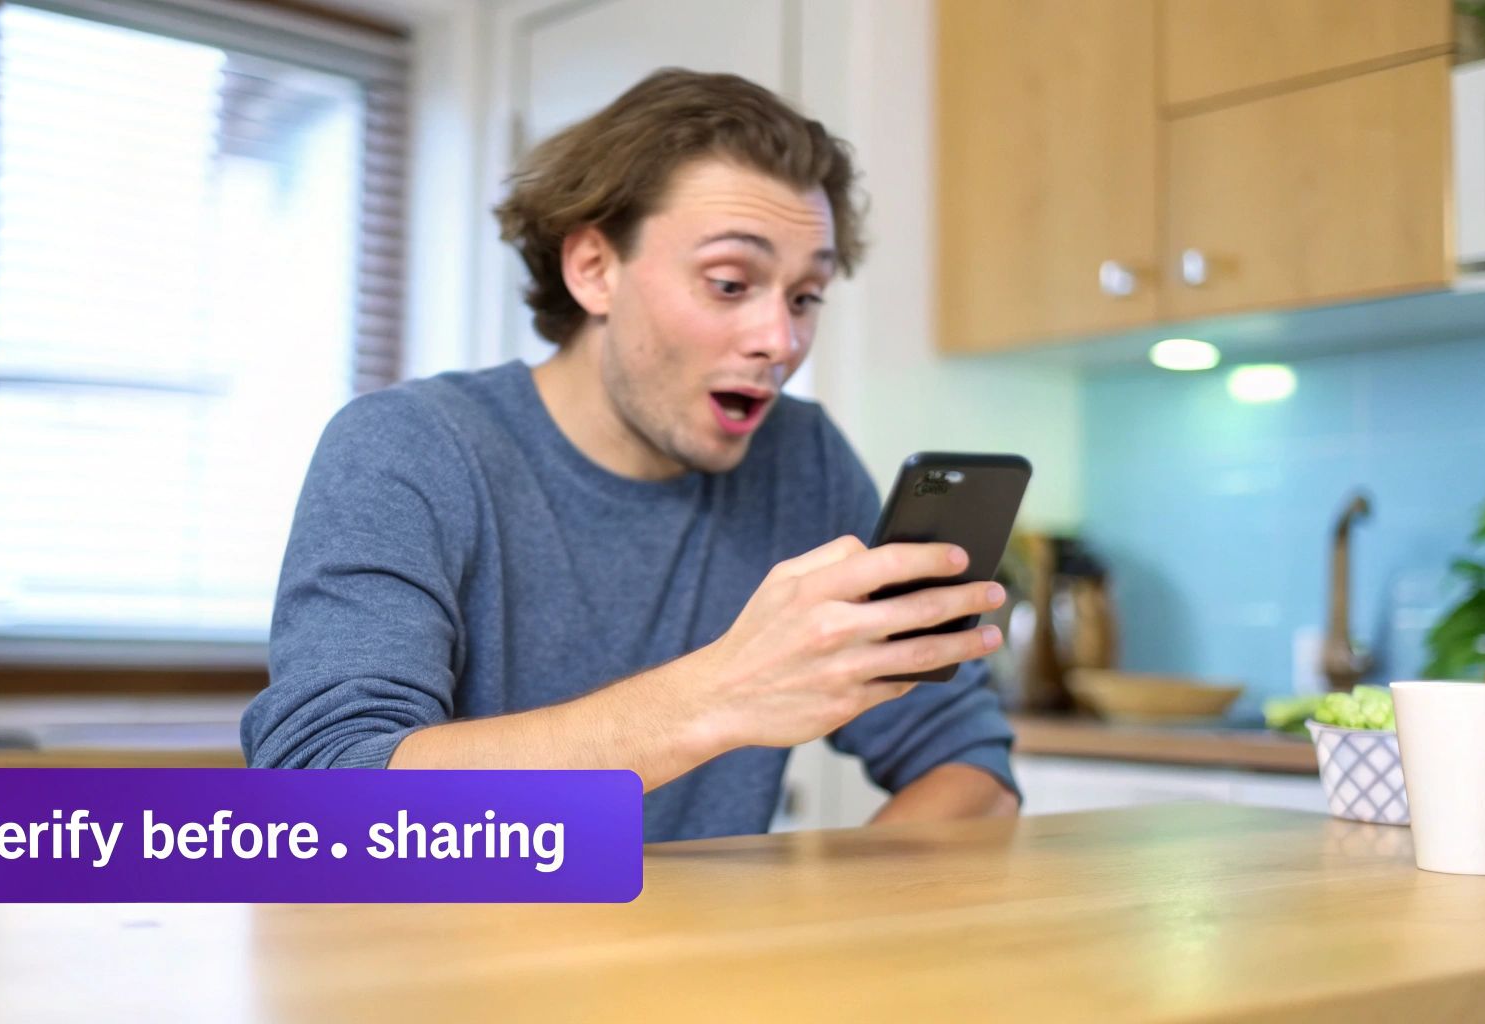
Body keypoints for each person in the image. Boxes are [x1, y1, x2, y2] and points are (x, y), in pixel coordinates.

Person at [241, 69, 1019, 841]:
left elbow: (969, 766)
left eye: (804, 297)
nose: (781, 341)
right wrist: (716, 696)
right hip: (438, 955)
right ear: (593, 270)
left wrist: (831, 934)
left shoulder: (802, 462)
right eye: (729, 282)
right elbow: (324, 800)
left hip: (702, 965)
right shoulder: (409, 449)